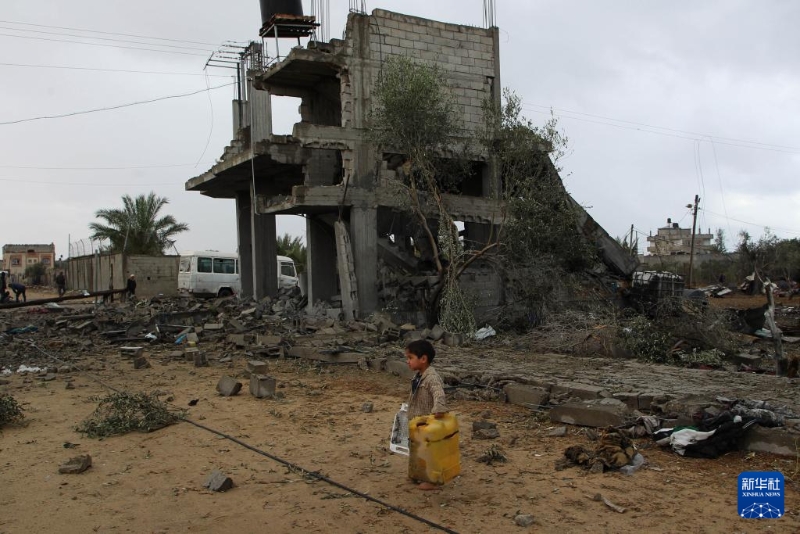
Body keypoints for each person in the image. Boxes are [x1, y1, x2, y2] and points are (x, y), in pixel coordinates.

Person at [405, 339, 449, 490]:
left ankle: (433, 481)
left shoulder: (432, 378)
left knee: (430, 452)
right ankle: (418, 474)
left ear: (423, 359)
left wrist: (438, 409)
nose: (407, 361)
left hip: (428, 423)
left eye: (410, 358)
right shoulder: (418, 376)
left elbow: (439, 394)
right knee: (417, 450)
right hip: (417, 422)